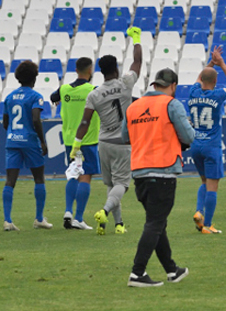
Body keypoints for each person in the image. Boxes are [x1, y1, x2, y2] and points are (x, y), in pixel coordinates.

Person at [122, 68, 193, 287]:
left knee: (157, 221)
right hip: (163, 169)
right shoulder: (171, 104)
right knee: (154, 223)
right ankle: (137, 273)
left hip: (140, 172)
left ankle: (172, 270)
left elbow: (125, 137)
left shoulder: (134, 107)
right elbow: (188, 135)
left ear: (155, 84)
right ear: (173, 86)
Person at [73, 26, 142, 235]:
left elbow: (85, 122)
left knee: (111, 185)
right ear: (116, 70)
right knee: (122, 185)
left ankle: (117, 224)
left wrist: (77, 143)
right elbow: (137, 62)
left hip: (103, 143)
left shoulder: (94, 94)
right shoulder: (126, 83)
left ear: (101, 72)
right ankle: (104, 211)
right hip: (123, 142)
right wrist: (136, 39)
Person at [189, 47, 226, 234]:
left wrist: (210, 63)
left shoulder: (193, 93)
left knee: (204, 182)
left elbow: (200, 78)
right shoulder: (217, 94)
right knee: (213, 186)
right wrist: (221, 63)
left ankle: (199, 212)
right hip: (211, 145)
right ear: (215, 82)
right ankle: (207, 224)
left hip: (195, 144)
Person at [2, 61, 52, 231]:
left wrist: (14, 133)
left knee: (10, 180)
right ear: (34, 78)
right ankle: (39, 219)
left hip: (12, 141)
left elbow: (6, 122)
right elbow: (36, 119)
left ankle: (7, 221)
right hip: (30, 141)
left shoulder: (9, 97)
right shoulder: (35, 96)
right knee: (39, 178)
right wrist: (43, 141)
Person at [51, 57, 99, 230]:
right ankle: (78, 218)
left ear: (76, 70)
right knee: (85, 176)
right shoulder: (93, 90)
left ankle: (68, 211)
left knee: (73, 174)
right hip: (87, 140)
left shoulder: (64, 89)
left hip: (70, 140)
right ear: (90, 70)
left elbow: (53, 97)